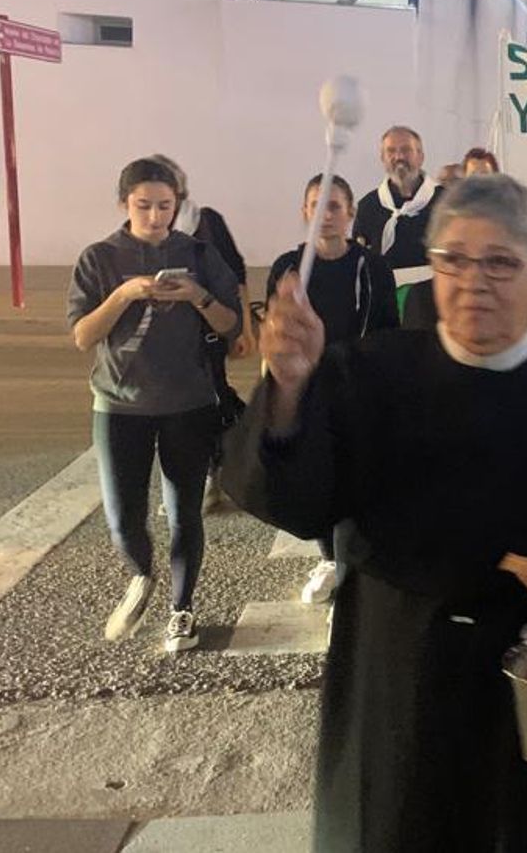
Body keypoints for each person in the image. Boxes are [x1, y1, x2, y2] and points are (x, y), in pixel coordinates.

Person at [221, 174, 527, 853]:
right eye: (453, 260)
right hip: (404, 672)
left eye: (499, 261)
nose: (474, 281)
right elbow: (292, 499)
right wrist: (287, 388)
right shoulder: (369, 373)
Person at [68, 158, 242, 653]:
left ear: (178, 205)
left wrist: (197, 296)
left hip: (188, 402)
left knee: (183, 510)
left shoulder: (200, 253)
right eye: (143, 205)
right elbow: (83, 336)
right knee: (123, 518)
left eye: (165, 206)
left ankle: (181, 610)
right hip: (119, 406)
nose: (155, 216)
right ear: (125, 204)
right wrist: (125, 293)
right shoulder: (99, 258)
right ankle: (141, 573)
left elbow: (231, 326)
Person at [264, 173, 400, 604]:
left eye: (335, 207)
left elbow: (386, 331)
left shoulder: (374, 268)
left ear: (350, 213)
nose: (325, 216)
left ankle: (353, 571)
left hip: (357, 390)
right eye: (316, 207)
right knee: (316, 480)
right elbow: (277, 330)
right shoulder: (288, 267)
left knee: (356, 483)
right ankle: (329, 559)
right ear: (305, 212)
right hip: (307, 391)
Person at [148, 155, 254, 514]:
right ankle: (186, 482)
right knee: (169, 408)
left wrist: (245, 330)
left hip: (208, 332)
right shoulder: (142, 229)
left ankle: (215, 472)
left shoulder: (207, 223)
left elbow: (237, 276)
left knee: (210, 399)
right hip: (162, 340)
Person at [353, 126, 443, 270]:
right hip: (383, 291)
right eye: (391, 151)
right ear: (382, 158)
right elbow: (359, 262)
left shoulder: (445, 201)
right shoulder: (368, 206)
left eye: (406, 150)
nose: (399, 157)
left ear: (420, 156)